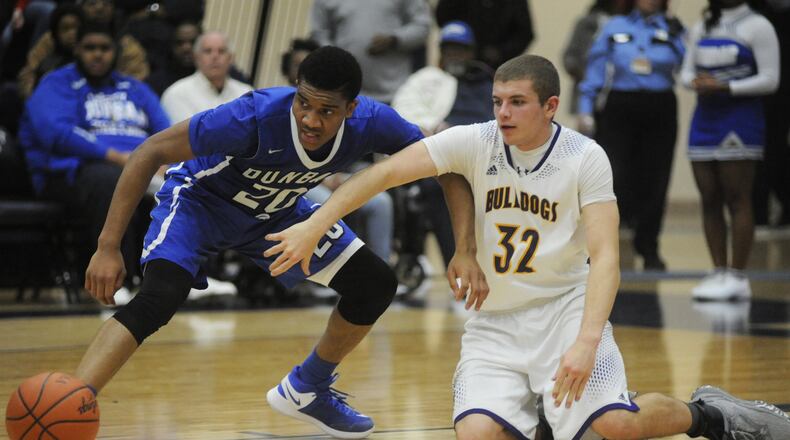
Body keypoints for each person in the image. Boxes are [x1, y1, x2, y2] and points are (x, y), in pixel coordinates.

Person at [264, 54, 790, 440]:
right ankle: (547, 421)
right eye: (497, 102)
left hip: (566, 314)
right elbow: (382, 174)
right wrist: (316, 223)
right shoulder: (476, 140)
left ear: (550, 105)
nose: (504, 113)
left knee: (613, 424)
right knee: (476, 436)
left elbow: (606, 256)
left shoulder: (586, 157)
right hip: (496, 325)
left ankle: (711, 415)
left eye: (517, 103)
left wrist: (585, 342)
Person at [77, 46, 434, 439]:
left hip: (276, 214)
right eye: (303, 103)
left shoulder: (374, 122)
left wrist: (465, 249)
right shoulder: (252, 117)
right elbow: (149, 151)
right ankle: (74, 400)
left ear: (351, 108)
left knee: (375, 283)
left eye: (326, 111)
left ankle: (308, 387)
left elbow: (437, 157)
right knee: (160, 295)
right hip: (201, 203)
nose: (310, 120)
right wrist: (108, 246)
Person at [18, 21, 170, 292]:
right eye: (90, 48)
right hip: (70, 172)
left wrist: (166, 161)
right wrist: (115, 156)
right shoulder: (56, 84)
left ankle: (177, 279)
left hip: (137, 166)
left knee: (184, 182)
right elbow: (57, 134)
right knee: (112, 181)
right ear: (77, 50)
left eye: (104, 48)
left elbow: (165, 130)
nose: (97, 54)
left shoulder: (135, 88)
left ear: (116, 51)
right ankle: (118, 281)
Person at [680, 0, 780, 300]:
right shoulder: (702, 26)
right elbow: (685, 72)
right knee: (709, 197)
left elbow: (770, 79)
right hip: (705, 119)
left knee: (737, 197)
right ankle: (718, 271)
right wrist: (695, 82)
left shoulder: (758, 26)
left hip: (739, 119)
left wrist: (726, 87)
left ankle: (737, 275)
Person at [577, 0, 685, 271]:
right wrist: (585, 109)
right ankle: (603, 246)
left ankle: (648, 245)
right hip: (621, 106)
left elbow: (689, 67)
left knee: (656, 178)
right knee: (613, 176)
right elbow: (595, 68)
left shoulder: (674, 29)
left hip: (660, 106)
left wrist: (681, 36)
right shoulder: (615, 25)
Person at [17, 0, 149, 99]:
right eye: (92, 3)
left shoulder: (126, 44)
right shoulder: (52, 38)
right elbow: (28, 73)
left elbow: (138, 79)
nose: (99, 8)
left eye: (105, 4)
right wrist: (41, 98)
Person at [309, 0, 431, 104]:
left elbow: (422, 26)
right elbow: (318, 34)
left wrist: (394, 39)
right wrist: (337, 58)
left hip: (394, 95)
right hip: (342, 94)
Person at [161, 31, 252, 123]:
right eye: (208, 51)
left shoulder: (246, 93)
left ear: (231, 58)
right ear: (196, 57)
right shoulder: (176, 93)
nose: (215, 56)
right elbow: (188, 135)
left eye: (221, 51)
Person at [562, 0, 625, 114]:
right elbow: (570, 58)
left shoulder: (630, 24)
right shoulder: (587, 23)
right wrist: (590, 77)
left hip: (621, 96)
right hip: (588, 96)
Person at [435, 0, 534, 71]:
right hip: (458, 60)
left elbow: (525, 33)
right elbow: (441, 18)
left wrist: (500, 52)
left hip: (495, 67)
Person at [15, 3, 83, 98]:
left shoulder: (91, 48)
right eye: (65, 29)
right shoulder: (49, 42)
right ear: (55, 33)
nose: (72, 33)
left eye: (76, 28)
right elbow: (28, 72)